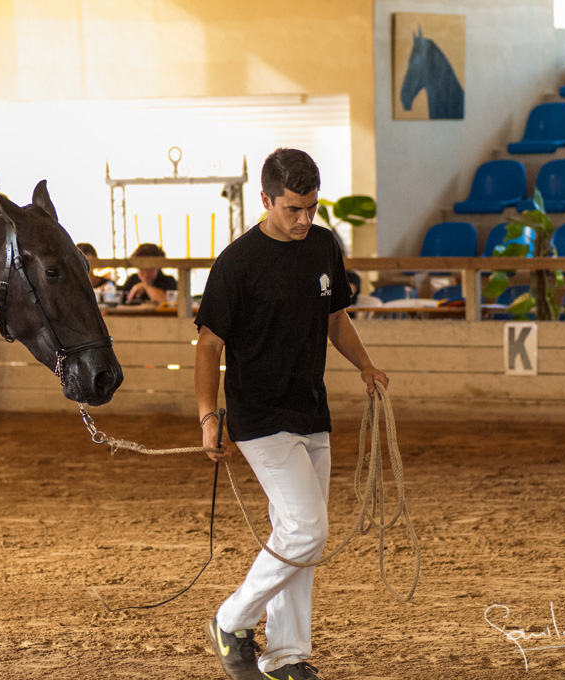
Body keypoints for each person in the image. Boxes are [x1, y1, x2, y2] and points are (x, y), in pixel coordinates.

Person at [194, 148, 388, 680]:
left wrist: (365, 365)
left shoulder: (323, 244)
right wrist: (209, 415)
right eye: (293, 209)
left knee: (294, 532)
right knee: (306, 529)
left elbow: (335, 317)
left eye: (311, 207)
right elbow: (209, 345)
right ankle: (232, 619)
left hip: (311, 410)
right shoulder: (236, 263)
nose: (305, 219)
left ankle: (286, 655)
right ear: (265, 200)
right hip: (259, 417)